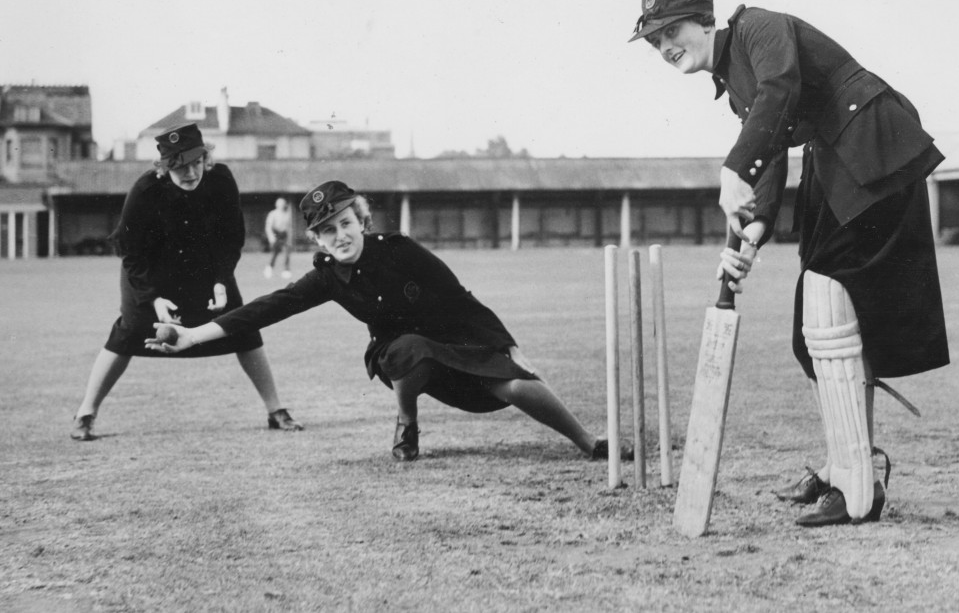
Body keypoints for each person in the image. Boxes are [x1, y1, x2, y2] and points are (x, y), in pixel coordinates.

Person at [629, 0, 949, 526]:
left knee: (829, 298)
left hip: (871, 143)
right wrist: (751, 234)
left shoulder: (758, 28)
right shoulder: (733, 83)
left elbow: (780, 91)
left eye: (672, 31)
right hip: (839, 162)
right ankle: (848, 468)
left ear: (706, 23)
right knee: (826, 317)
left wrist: (733, 168)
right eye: (655, 40)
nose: (664, 46)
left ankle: (856, 489)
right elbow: (771, 151)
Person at [146, 180, 626, 463]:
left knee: (517, 386)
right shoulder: (326, 278)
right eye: (327, 231)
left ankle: (589, 442)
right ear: (317, 240)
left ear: (361, 219)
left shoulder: (400, 250)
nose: (340, 237)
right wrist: (192, 335)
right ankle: (407, 422)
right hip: (397, 354)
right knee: (408, 347)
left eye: (346, 224)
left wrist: (510, 348)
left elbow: (460, 298)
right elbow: (264, 309)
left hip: (452, 341)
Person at [70, 123, 302, 441]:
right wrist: (153, 299)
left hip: (205, 269)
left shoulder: (221, 180)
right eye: (180, 167)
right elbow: (131, 253)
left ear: (205, 158)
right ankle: (86, 413)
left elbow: (231, 239)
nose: (191, 173)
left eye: (196, 163)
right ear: (165, 167)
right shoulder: (145, 190)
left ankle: (276, 410)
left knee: (243, 326)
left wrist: (222, 281)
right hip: (149, 272)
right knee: (128, 332)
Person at [264, 197, 293, 280]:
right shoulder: (272, 214)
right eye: (280, 204)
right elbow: (268, 227)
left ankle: (286, 270)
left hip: (284, 235)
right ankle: (269, 268)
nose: (282, 205)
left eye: (283, 204)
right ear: (277, 205)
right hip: (276, 234)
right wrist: (271, 237)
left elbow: (289, 227)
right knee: (275, 253)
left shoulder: (287, 214)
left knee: (287, 252)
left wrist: (289, 238)